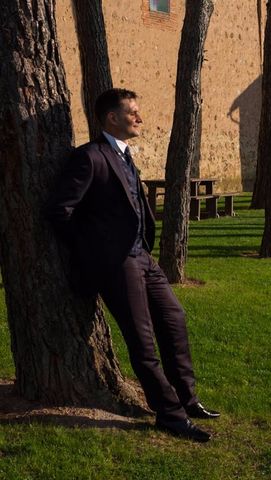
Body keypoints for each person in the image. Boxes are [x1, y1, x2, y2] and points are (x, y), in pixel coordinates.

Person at [47, 88, 219, 442]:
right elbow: (59, 211)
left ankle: (187, 399)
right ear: (112, 117)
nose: (139, 118)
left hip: (143, 257)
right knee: (143, 344)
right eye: (133, 112)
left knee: (175, 320)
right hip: (118, 264)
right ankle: (169, 416)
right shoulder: (90, 157)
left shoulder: (125, 156)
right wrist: (97, 250)